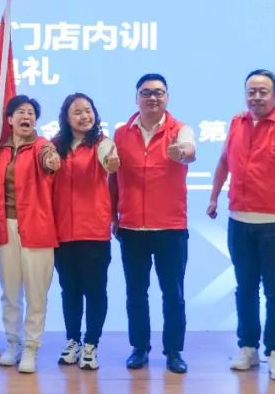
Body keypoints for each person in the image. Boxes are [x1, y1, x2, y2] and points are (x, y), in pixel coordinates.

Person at [206, 69, 275, 381]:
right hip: (239, 221)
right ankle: (248, 347)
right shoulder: (236, 122)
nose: (257, 97)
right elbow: (224, 161)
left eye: (263, 91)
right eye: (251, 91)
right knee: (245, 288)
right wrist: (214, 197)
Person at [110, 73, 196, 374]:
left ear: (167, 97)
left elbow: (190, 151)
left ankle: (174, 351)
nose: (152, 98)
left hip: (170, 228)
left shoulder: (180, 130)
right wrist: (113, 216)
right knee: (136, 292)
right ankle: (139, 347)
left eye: (159, 92)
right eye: (146, 93)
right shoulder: (121, 134)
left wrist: (180, 153)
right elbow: (112, 178)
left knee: (173, 293)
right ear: (136, 98)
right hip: (132, 227)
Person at [0, 95, 61, 374]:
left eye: (31, 113)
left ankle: (31, 347)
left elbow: (49, 161)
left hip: (37, 228)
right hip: (4, 228)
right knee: (10, 291)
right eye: (21, 112)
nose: (26, 117)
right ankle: (13, 343)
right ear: (9, 119)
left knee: (36, 293)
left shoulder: (43, 146)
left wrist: (52, 160)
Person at [49, 93, 118, 371]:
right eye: (77, 112)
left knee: (95, 290)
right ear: (66, 118)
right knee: (70, 290)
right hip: (63, 232)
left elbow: (109, 159)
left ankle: (91, 343)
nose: (84, 116)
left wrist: (111, 163)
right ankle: (73, 340)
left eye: (88, 110)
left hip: (93, 232)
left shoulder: (103, 143)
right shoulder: (55, 145)